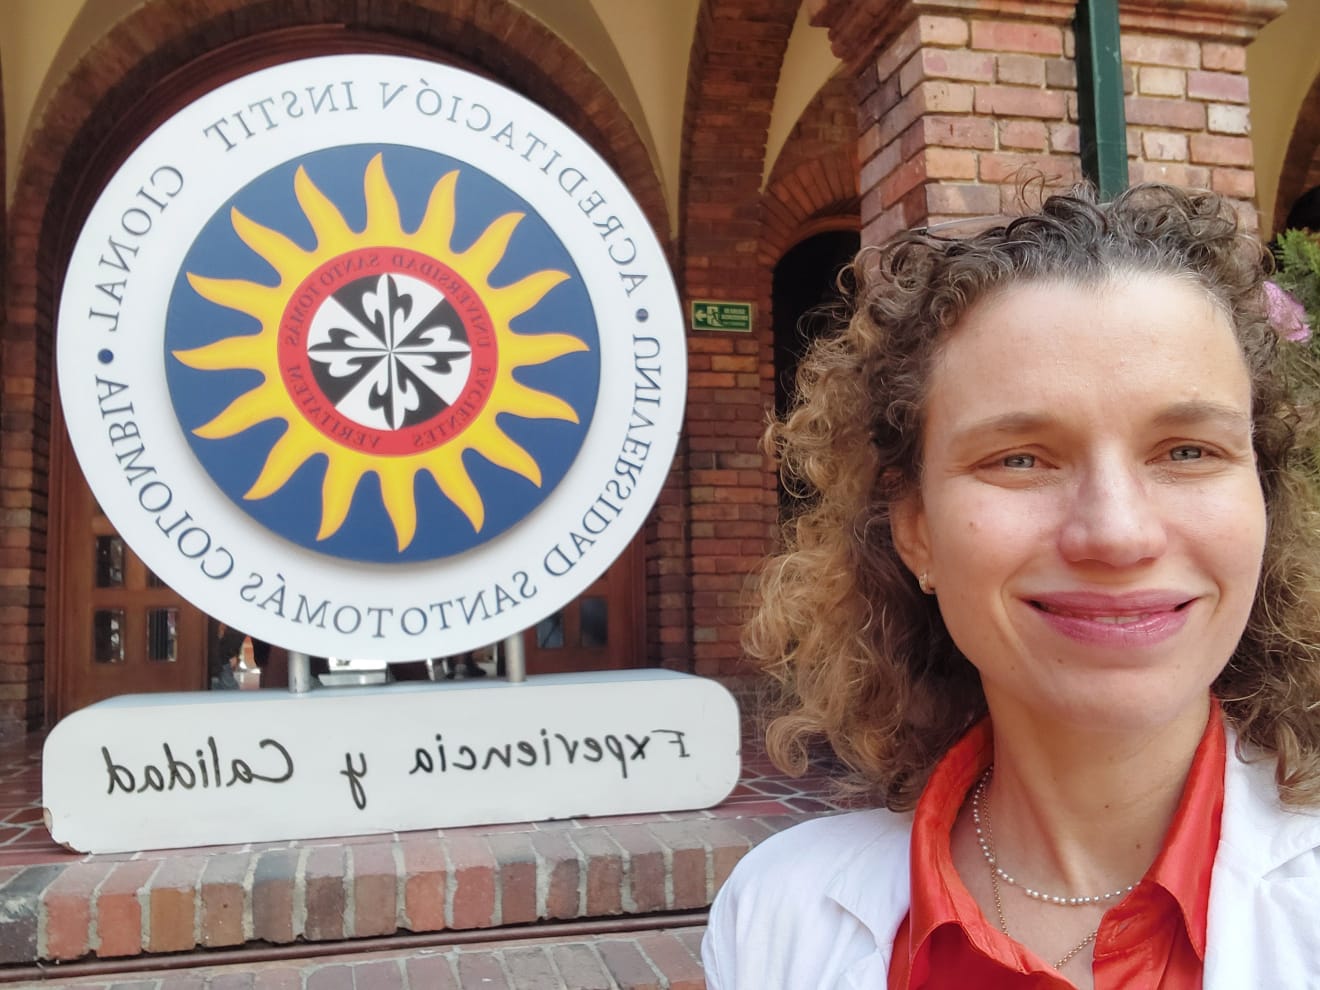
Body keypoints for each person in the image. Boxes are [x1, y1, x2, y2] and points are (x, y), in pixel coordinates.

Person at [702, 183, 1320, 989]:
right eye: (1020, 459)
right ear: (916, 527)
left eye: (1187, 451)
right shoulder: (774, 919)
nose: (1118, 533)